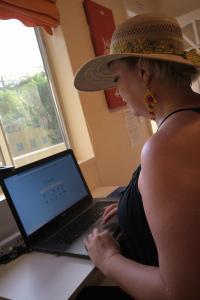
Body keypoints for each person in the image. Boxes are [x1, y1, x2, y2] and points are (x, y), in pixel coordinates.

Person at [74, 13, 200, 300]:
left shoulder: (166, 147)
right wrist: (140, 210)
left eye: (118, 79)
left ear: (144, 73)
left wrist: (107, 260)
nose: (118, 93)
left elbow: (179, 293)